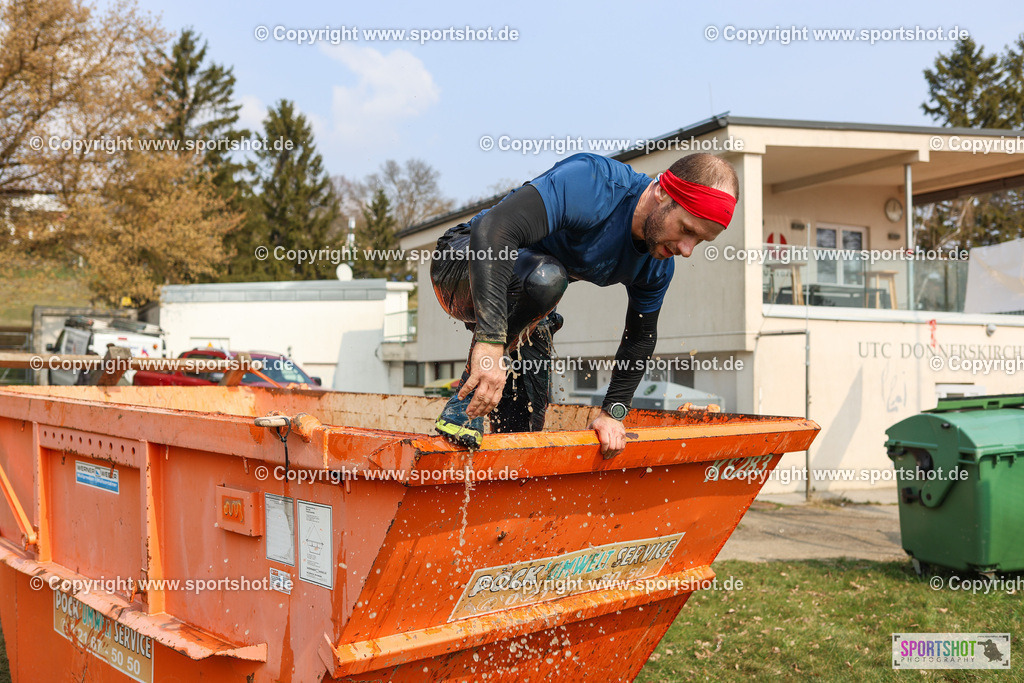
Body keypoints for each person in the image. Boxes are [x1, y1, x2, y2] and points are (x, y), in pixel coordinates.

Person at [430, 152, 738, 456]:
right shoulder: (594, 183)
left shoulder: (656, 262)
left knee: (522, 434)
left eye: (699, 241)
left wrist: (613, 414)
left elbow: (640, 338)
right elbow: (494, 230)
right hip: (462, 260)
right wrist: (489, 345)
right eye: (686, 230)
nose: (687, 250)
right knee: (546, 279)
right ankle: (463, 404)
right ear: (661, 192)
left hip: (528, 304)